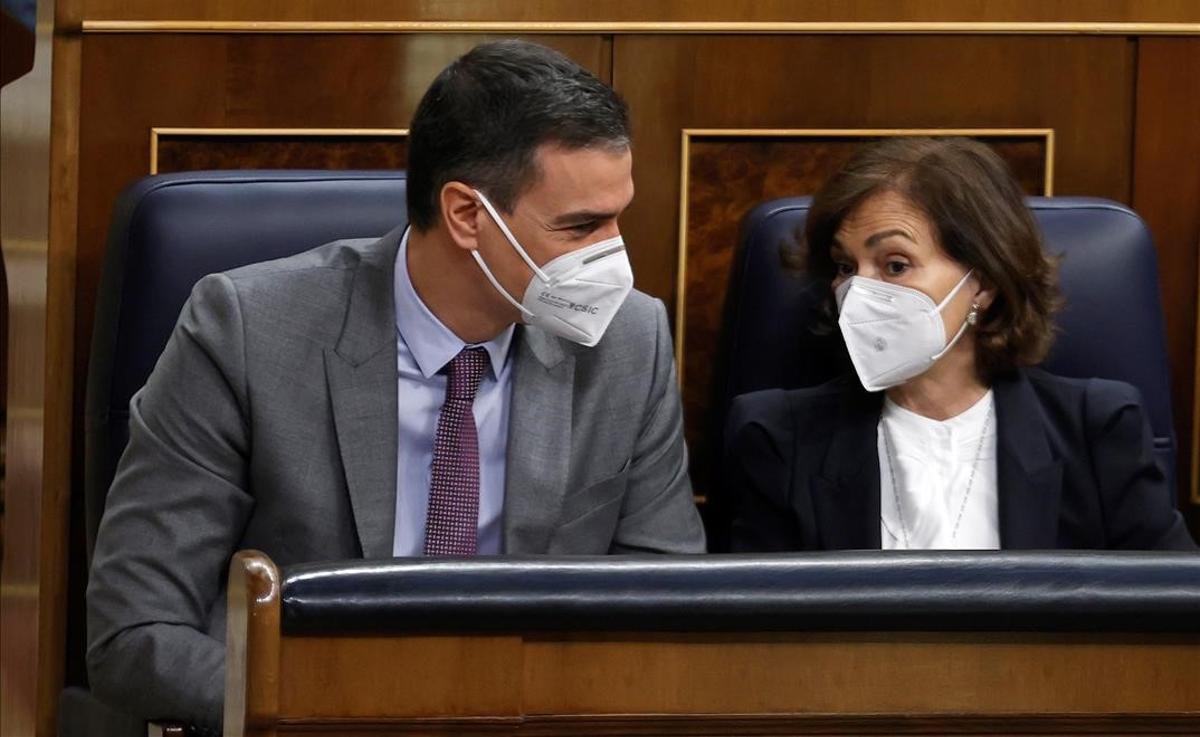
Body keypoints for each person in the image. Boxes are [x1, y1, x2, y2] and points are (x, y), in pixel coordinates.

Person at [87, 40, 705, 732]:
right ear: (468, 215)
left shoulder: (629, 338)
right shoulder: (245, 330)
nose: (612, 257)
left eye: (618, 217)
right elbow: (135, 630)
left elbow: (665, 606)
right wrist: (344, 713)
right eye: (581, 227)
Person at [727, 136, 1197, 553]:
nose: (858, 293)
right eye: (846, 268)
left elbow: (1167, 616)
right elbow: (760, 635)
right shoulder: (779, 438)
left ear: (984, 283)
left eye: (894, 266)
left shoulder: (1098, 432)